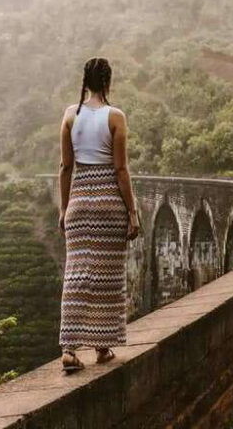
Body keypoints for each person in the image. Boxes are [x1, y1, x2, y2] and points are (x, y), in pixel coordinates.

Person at [57, 57, 141, 372]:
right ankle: (103, 347)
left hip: (79, 201)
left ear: (85, 82)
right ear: (108, 82)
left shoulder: (69, 115)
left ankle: (69, 349)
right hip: (109, 203)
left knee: (76, 274)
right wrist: (132, 212)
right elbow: (121, 169)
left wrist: (64, 209)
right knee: (107, 277)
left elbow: (66, 167)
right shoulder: (115, 117)